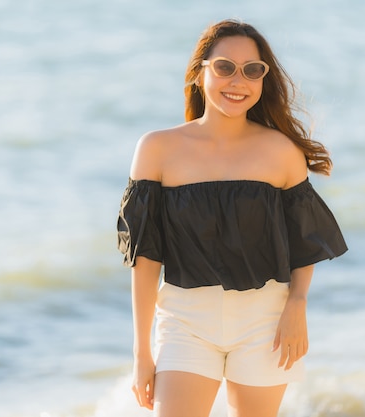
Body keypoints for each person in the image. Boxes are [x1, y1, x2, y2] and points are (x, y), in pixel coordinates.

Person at [117, 19, 347, 417]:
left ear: (262, 79)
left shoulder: (282, 152)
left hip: (266, 323)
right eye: (225, 67)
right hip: (185, 322)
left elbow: (302, 243)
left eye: (252, 70)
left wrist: (298, 302)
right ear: (200, 71)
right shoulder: (157, 149)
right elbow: (145, 257)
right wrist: (141, 352)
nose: (237, 80)